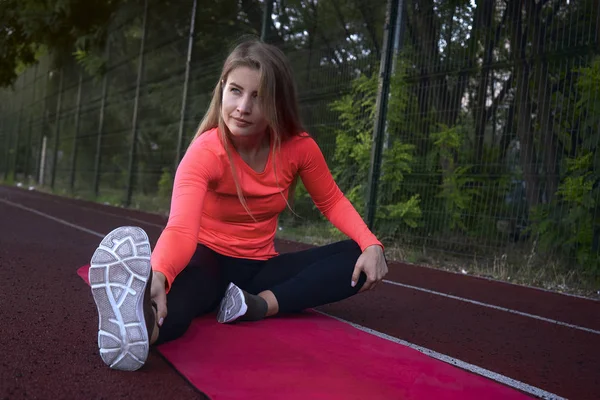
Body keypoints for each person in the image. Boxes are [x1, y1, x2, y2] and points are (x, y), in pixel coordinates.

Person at [88, 38, 389, 372]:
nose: (243, 107)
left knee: (355, 257)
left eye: (258, 97)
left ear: (278, 103)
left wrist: (371, 244)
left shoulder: (298, 148)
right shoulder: (206, 151)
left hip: (258, 270)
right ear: (222, 90)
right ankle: (140, 329)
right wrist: (159, 274)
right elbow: (181, 227)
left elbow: (331, 201)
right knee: (176, 302)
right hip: (207, 260)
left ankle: (257, 306)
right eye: (235, 91)